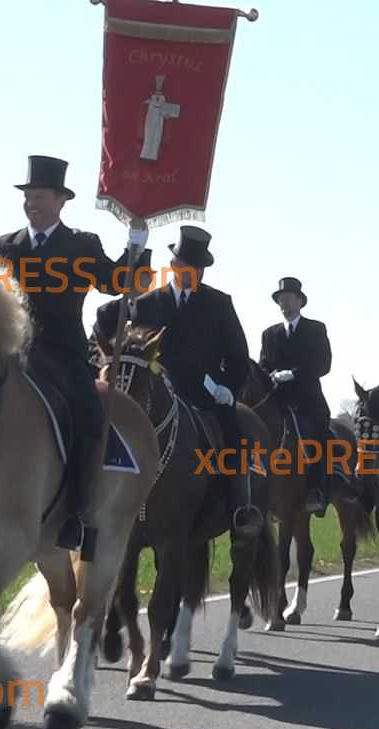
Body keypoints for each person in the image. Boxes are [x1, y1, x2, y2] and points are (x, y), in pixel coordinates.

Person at [0, 155, 144, 560]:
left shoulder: (81, 244)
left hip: (62, 354)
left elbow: (115, 284)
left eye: (39, 196)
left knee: (91, 417)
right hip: (11, 354)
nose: (32, 203)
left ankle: (78, 512)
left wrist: (137, 253)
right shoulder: (3, 247)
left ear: (60, 200)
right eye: (28, 196)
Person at [128, 226, 262, 535]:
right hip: (157, 392)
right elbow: (136, 349)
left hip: (206, 394)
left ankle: (241, 506)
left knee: (236, 434)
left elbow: (238, 355)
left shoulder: (219, 303)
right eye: (188, 265)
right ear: (174, 266)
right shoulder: (148, 304)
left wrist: (228, 388)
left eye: (199, 268)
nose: (193, 272)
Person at [259, 277, 334, 515]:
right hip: (278, 401)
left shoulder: (315, 329)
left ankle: (317, 489)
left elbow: (323, 364)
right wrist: (270, 376)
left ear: (300, 301)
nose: (284, 303)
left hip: (308, 401)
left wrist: (293, 374)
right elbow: (263, 365)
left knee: (322, 437)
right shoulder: (269, 334)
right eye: (280, 299)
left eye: (288, 298)